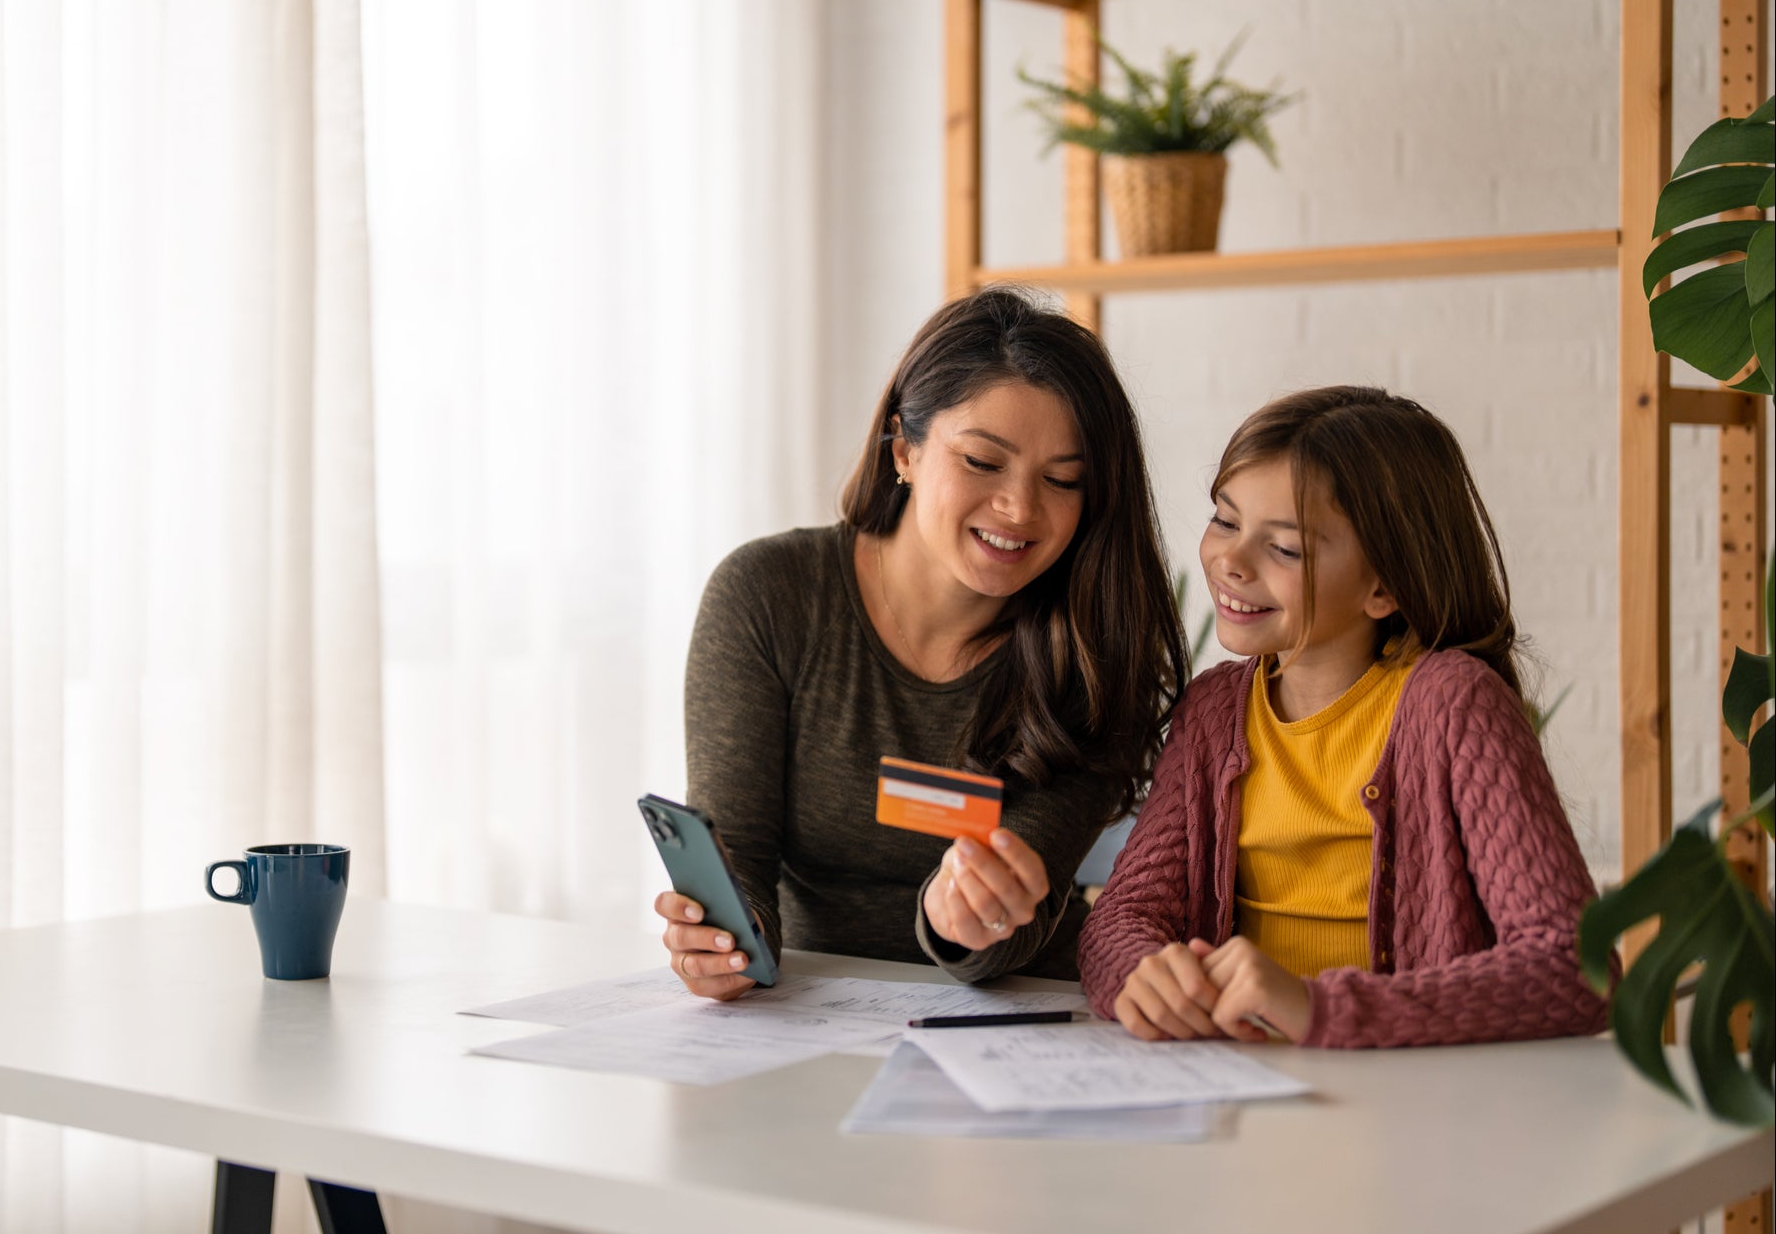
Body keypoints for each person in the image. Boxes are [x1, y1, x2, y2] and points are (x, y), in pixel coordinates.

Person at [656, 287, 1186, 999]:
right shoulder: (767, 595)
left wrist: (965, 918)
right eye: (982, 462)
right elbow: (738, 856)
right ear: (904, 448)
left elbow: (1023, 919)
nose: (1020, 509)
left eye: (1062, 480)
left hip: (1016, 1017)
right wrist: (723, 946)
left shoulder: (1093, 649)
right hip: (803, 1008)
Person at [1079, 385, 1614, 1047]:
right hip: (1245, 1095)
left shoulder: (1454, 707)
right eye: (1224, 520)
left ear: (1383, 586)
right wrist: (1142, 974)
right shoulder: (1215, 712)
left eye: (1285, 550)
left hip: (1412, 1111)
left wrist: (1321, 1008)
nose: (1231, 562)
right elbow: (1119, 919)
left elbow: (1577, 967)